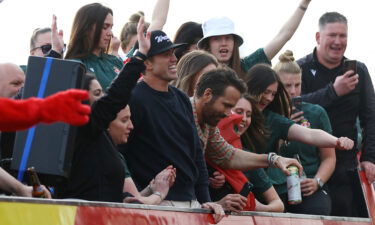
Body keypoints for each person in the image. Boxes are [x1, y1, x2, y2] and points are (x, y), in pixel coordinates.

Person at [118, 24, 224, 222]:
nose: (174, 58)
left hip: (192, 204)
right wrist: (139, 198)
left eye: (174, 52)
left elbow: (195, 154)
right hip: (157, 208)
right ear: (147, 63)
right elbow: (120, 153)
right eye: (166, 54)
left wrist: (204, 200)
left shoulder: (181, 98)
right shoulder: (134, 98)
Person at [297, 12, 375, 217]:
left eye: (343, 36)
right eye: (332, 35)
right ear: (318, 37)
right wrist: (333, 92)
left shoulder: (359, 70)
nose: (338, 42)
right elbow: (293, 107)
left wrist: (369, 157)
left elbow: (371, 117)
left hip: (345, 164)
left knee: (348, 214)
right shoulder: (301, 68)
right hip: (308, 162)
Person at [245, 64, 353, 199]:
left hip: (281, 187)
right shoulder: (232, 112)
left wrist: (336, 141)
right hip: (246, 183)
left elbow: (310, 135)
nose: (269, 98)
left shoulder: (274, 119)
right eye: (266, 92)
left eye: (273, 93)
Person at [274, 50, 335, 215]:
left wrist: (317, 181)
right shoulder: (266, 114)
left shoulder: (316, 113)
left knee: (317, 210)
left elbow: (329, 157)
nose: (293, 91)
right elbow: (259, 155)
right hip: (275, 185)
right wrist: (285, 129)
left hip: (308, 183)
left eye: (297, 84)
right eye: (287, 85)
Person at [198, 0, 312, 79]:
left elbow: (284, 35)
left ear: (234, 42)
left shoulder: (248, 65)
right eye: (217, 39)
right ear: (207, 45)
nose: (224, 43)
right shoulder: (197, 72)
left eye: (228, 38)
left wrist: (304, 4)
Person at [211, 94, 284, 212]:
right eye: (239, 112)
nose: (244, 119)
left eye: (249, 115)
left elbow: (278, 205)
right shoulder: (202, 148)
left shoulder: (248, 158)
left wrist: (255, 207)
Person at [65, 3, 123, 90]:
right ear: (86, 28)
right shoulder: (76, 65)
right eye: (104, 27)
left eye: (111, 27)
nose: (110, 33)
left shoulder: (114, 61)